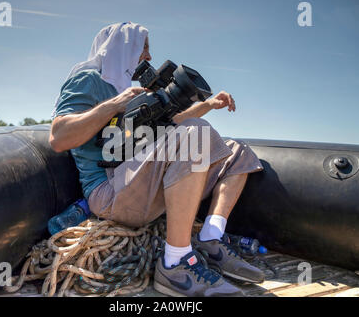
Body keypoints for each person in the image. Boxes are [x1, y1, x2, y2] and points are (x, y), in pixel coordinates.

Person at [49, 22, 265, 297]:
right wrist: (114, 105)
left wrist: (208, 105)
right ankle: (176, 263)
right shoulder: (88, 80)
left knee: (237, 151)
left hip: (140, 181)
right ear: (122, 47)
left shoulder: (129, 87)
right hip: (109, 191)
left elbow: (173, 123)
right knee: (195, 135)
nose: (149, 56)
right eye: (144, 48)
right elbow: (58, 137)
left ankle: (211, 236)